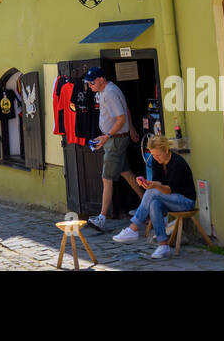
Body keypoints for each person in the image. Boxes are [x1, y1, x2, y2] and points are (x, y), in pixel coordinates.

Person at [111, 134, 197, 258]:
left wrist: (153, 187)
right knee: (154, 203)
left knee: (153, 193)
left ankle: (133, 228)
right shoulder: (157, 161)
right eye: (153, 155)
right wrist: (147, 184)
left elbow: (168, 190)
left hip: (185, 201)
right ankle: (163, 245)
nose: (156, 158)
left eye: (158, 155)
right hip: (170, 200)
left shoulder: (178, 163)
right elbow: (158, 183)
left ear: (166, 150)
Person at [82, 68, 144, 232]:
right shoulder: (107, 90)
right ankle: (146, 204)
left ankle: (101, 218)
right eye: (88, 83)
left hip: (115, 140)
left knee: (106, 178)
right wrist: (130, 128)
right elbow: (126, 110)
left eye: (92, 82)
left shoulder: (109, 93)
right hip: (114, 138)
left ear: (101, 79)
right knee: (126, 172)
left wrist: (107, 136)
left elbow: (121, 117)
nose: (89, 85)